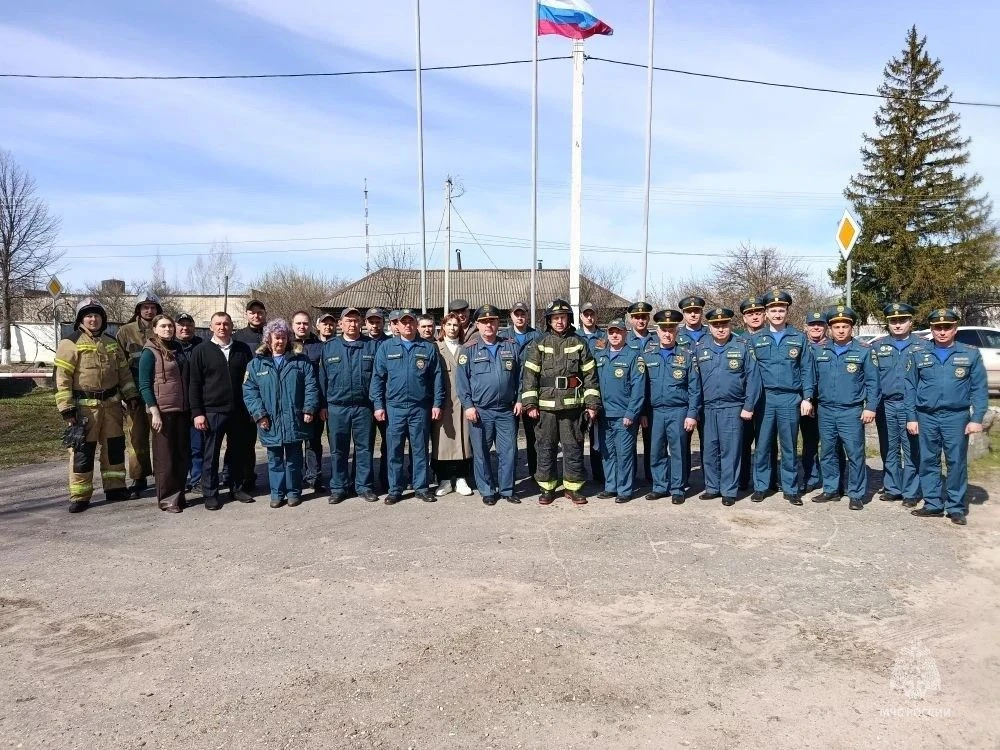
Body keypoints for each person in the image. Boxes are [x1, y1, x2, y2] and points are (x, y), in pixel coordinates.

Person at [53, 298, 138, 512]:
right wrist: (66, 408)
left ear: (103, 319)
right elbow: (62, 378)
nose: (93, 319)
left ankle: (115, 488)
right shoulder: (70, 343)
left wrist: (131, 395)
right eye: (88, 316)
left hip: (111, 406)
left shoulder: (111, 343)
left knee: (114, 448)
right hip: (84, 410)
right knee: (83, 452)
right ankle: (80, 496)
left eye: (97, 315)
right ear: (81, 319)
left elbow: (124, 374)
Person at [906, 309, 988, 526]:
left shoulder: (970, 354)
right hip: (926, 416)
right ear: (931, 329)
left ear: (955, 329)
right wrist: (911, 417)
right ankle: (933, 503)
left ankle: (955, 507)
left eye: (947, 327)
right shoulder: (918, 354)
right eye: (937, 328)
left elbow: (979, 389)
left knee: (956, 462)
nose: (942, 332)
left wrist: (977, 418)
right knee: (928, 460)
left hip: (956, 417)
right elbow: (910, 387)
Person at [520, 299, 600, 506]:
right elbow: (529, 375)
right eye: (555, 318)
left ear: (568, 319)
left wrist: (592, 404)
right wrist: (530, 404)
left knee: (573, 448)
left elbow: (590, 375)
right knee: (545, 448)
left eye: (562, 317)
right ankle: (547, 488)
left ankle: (573, 488)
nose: (559, 321)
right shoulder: (539, 343)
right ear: (549, 320)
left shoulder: (579, 342)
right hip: (545, 408)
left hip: (572, 407)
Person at [369, 309, 446, 504]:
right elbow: (377, 378)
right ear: (398, 325)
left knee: (420, 449)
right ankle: (395, 489)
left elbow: (437, 378)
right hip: (394, 407)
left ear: (416, 324)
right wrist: (378, 405)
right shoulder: (386, 347)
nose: (407, 325)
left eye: (411, 322)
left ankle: (421, 488)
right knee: (394, 450)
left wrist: (437, 403)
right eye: (403, 322)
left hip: (420, 407)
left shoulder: (427, 348)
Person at [243, 319, 320, 508]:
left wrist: (309, 409)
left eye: (284, 337)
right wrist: (259, 414)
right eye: (277, 337)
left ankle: (293, 492)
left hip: (294, 418)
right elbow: (250, 392)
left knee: (294, 459)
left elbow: (311, 386)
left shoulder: (300, 361)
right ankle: (277, 494)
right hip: (270, 420)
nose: (280, 341)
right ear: (268, 339)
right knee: (275, 459)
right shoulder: (256, 364)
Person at [749, 290, 816, 506]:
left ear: (787, 312)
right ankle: (761, 486)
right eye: (773, 310)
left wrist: (807, 397)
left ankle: (790, 488)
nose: (777, 314)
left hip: (790, 398)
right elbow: (751, 374)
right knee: (763, 445)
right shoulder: (756, 339)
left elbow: (806, 370)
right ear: (766, 313)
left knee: (789, 446)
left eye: (781, 310)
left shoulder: (798, 338)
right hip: (765, 400)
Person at [813, 306, 880, 510]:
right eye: (836, 327)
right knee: (828, 452)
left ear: (852, 328)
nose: (841, 330)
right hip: (825, 409)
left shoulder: (864, 351)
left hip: (851, 411)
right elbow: (813, 378)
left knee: (855, 454)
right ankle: (831, 489)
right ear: (830, 329)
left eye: (845, 326)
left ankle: (856, 494)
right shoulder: (820, 350)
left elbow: (873, 382)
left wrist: (871, 407)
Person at [187, 312, 256, 510]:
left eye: (226, 323)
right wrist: (197, 413)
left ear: (232, 326)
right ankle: (210, 493)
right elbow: (194, 384)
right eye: (217, 324)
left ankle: (236, 488)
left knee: (237, 452)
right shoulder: (201, 351)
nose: (222, 327)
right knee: (210, 454)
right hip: (212, 411)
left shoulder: (242, 349)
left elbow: (250, 380)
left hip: (239, 411)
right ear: (211, 327)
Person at [693, 308, 760, 506]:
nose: (720, 329)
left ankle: (729, 490)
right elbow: (694, 381)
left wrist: (749, 405)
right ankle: (712, 487)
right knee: (710, 449)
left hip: (733, 407)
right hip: (707, 407)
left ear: (730, 325)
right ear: (710, 327)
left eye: (724, 324)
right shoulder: (700, 347)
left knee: (730, 451)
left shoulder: (742, 345)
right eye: (716, 325)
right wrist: (694, 409)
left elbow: (753, 378)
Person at [456, 305, 523, 505]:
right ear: (477, 325)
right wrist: (468, 405)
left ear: (498, 323)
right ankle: (487, 490)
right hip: (480, 411)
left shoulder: (510, 346)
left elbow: (521, 377)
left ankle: (507, 489)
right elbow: (462, 381)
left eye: (492, 321)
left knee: (508, 452)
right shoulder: (468, 349)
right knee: (482, 453)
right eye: (484, 322)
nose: (488, 325)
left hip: (506, 410)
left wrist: (520, 399)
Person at [319, 307, 379, 504]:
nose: (352, 324)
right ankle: (339, 487)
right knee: (338, 450)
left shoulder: (371, 346)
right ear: (340, 324)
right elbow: (322, 379)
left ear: (361, 323)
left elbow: (378, 378)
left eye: (355, 320)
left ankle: (364, 486)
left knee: (365, 449)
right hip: (337, 407)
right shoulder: (330, 347)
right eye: (348, 320)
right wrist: (322, 405)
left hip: (364, 407)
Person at [642, 310, 701, 504]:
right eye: (664, 330)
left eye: (671, 329)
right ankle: (660, 486)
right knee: (656, 451)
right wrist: (643, 413)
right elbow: (642, 388)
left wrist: (692, 414)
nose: (667, 334)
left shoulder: (686, 355)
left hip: (678, 410)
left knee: (678, 451)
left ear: (677, 331)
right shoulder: (648, 355)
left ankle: (677, 489)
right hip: (655, 412)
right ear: (657, 331)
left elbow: (694, 388)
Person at [137, 314, 190, 513]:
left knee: (181, 455)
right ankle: (167, 499)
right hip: (162, 411)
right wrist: (154, 412)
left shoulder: (178, 348)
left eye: (170, 326)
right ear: (155, 329)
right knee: (165, 458)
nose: (167, 329)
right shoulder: (149, 352)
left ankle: (179, 495)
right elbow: (144, 385)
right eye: (163, 326)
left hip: (181, 409)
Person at [874, 303, 923, 507]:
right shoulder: (878, 347)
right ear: (888, 323)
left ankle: (911, 491)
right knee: (889, 448)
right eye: (893, 321)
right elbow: (873, 378)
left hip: (911, 406)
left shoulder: (923, 346)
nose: (897, 324)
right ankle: (892, 488)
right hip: (885, 405)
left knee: (911, 448)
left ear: (910, 322)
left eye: (902, 320)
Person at [592, 319, 645, 503]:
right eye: (611, 332)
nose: (615, 335)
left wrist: (631, 413)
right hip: (604, 414)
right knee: (608, 453)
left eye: (619, 332)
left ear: (625, 334)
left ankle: (624, 490)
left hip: (624, 416)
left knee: (624, 454)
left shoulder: (633, 357)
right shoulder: (600, 356)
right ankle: (611, 487)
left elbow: (639, 388)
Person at [116, 292, 162, 497]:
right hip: (135, 394)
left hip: (159, 393)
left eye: (153, 307)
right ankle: (139, 477)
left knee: (161, 436)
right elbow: (119, 366)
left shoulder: (162, 328)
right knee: (137, 437)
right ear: (138, 309)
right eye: (145, 307)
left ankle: (162, 474)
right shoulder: (126, 332)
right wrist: (126, 394)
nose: (149, 310)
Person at [432, 312, 475, 497]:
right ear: (443, 327)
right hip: (443, 402)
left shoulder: (467, 348)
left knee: (463, 441)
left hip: (463, 402)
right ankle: (444, 479)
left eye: (455, 325)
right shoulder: (435, 348)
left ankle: (461, 478)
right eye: (448, 324)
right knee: (442, 442)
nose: (452, 328)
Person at [503, 301, 542, 479]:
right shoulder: (502, 337)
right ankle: (510, 476)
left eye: (522, 314)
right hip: (509, 394)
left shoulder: (537, 336)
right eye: (516, 314)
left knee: (534, 437)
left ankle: (536, 474)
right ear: (511, 316)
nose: (520, 317)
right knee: (509, 439)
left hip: (531, 393)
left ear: (527, 315)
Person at [232, 299, 267, 493]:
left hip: (269, 393)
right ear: (246, 315)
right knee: (245, 441)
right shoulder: (238, 337)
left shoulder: (270, 334)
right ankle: (245, 477)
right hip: (247, 396)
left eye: (259, 312)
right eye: (252, 312)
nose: (256, 315)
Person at [291, 310, 326, 493]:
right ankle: (295, 478)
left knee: (313, 442)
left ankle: (314, 477)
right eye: (298, 323)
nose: (302, 327)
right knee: (294, 443)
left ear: (311, 325)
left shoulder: (320, 346)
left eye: (305, 323)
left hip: (315, 401)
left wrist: (322, 404)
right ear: (292, 325)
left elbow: (324, 378)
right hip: (293, 403)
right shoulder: (286, 345)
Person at [676, 295, 709, 490]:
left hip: (709, 395)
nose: (693, 314)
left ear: (701, 312)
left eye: (696, 311)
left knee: (709, 441)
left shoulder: (711, 333)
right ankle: (683, 480)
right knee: (682, 442)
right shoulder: (676, 335)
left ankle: (710, 481)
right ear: (683, 314)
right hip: (686, 398)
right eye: (689, 311)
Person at [738, 296, 769, 491]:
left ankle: (768, 481)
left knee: (766, 442)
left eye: (758, 313)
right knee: (743, 441)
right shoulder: (738, 339)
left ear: (764, 315)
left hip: (767, 398)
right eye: (750, 314)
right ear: (744, 318)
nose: (754, 317)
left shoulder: (772, 337)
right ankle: (742, 480)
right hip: (744, 399)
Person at [800, 310, 829, 494]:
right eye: (812, 324)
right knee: (809, 441)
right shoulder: (801, 345)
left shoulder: (833, 346)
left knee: (831, 442)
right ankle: (810, 477)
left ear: (826, 327)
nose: (816, 327)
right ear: (806, 327)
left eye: (820, 324)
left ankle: (834, 481)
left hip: (827, 401)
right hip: (806, 400)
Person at [175, 312, 204, 494]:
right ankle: (179, 480)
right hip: (175, 405)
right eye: (181, 325)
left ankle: (197, 479)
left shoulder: (202, 346)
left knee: (197, 445)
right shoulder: (168, 346)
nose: (185, 328)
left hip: (197, 404)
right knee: (177, 446)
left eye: (189, 324)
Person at [577, 302, 606, 484]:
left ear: (596, 315)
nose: (589, 317)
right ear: (581, 316)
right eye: (586, 314)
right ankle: (578, 475)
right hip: (577, 392)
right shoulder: (574, 336)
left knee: (597, 437)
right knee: (577, 436)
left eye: (592, 314)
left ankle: (599, 475)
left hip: (598, 391)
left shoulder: (604, 337)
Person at [626, 301, 655, 483]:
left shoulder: (656, 340)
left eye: (644, 317)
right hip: (630, 400)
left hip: (652, 399)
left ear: (648, 318)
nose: (641, 320)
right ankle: (630, 478)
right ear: (631, 319)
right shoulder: (625, 339)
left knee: (652, 442)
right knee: (628, 442)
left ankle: (651, 478)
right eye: (637, 317)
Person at [364, 307, 391, 491]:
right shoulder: (361, 343)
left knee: (389, 444)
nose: (374, 325)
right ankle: (364, 483)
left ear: (383, 323)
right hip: (365, 404)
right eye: (371, 322)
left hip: (387, 402)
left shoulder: (390, 344)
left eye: (378, 321)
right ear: (366, 323)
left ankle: (387, 481)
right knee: (364, 446)